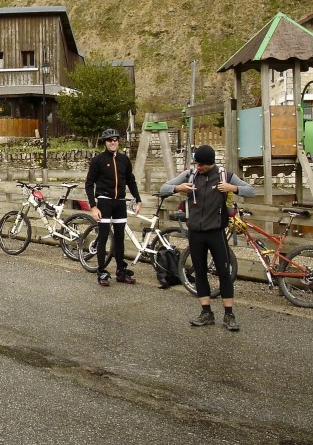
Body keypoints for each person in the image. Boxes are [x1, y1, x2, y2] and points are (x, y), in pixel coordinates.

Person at [160, 145, 254, 331]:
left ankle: (229, 315)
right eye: (196, 163)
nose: (198, 167)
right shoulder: (191, 174)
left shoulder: (224, 175)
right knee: (200, 271)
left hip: (216, 231)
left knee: (223, 273)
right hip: (195, 232)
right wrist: (178, 188)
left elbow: (250, 191)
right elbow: (163, 188)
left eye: (201, 164)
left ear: (211, 163)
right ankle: (206, 312)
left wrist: (232, 188)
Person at [85, 128, 142, 286]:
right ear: (105, 142)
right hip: (104, 201)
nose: (113, 142)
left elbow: (131, 181)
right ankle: (102, 272)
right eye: (110, 140)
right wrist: (93, 207)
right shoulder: (98, 160)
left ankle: (120, 271)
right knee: (103, 237)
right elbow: (89, 184)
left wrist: (138, 199)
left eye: (115, 139)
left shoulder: (124, 160)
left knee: (119, 239)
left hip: (120, 202)